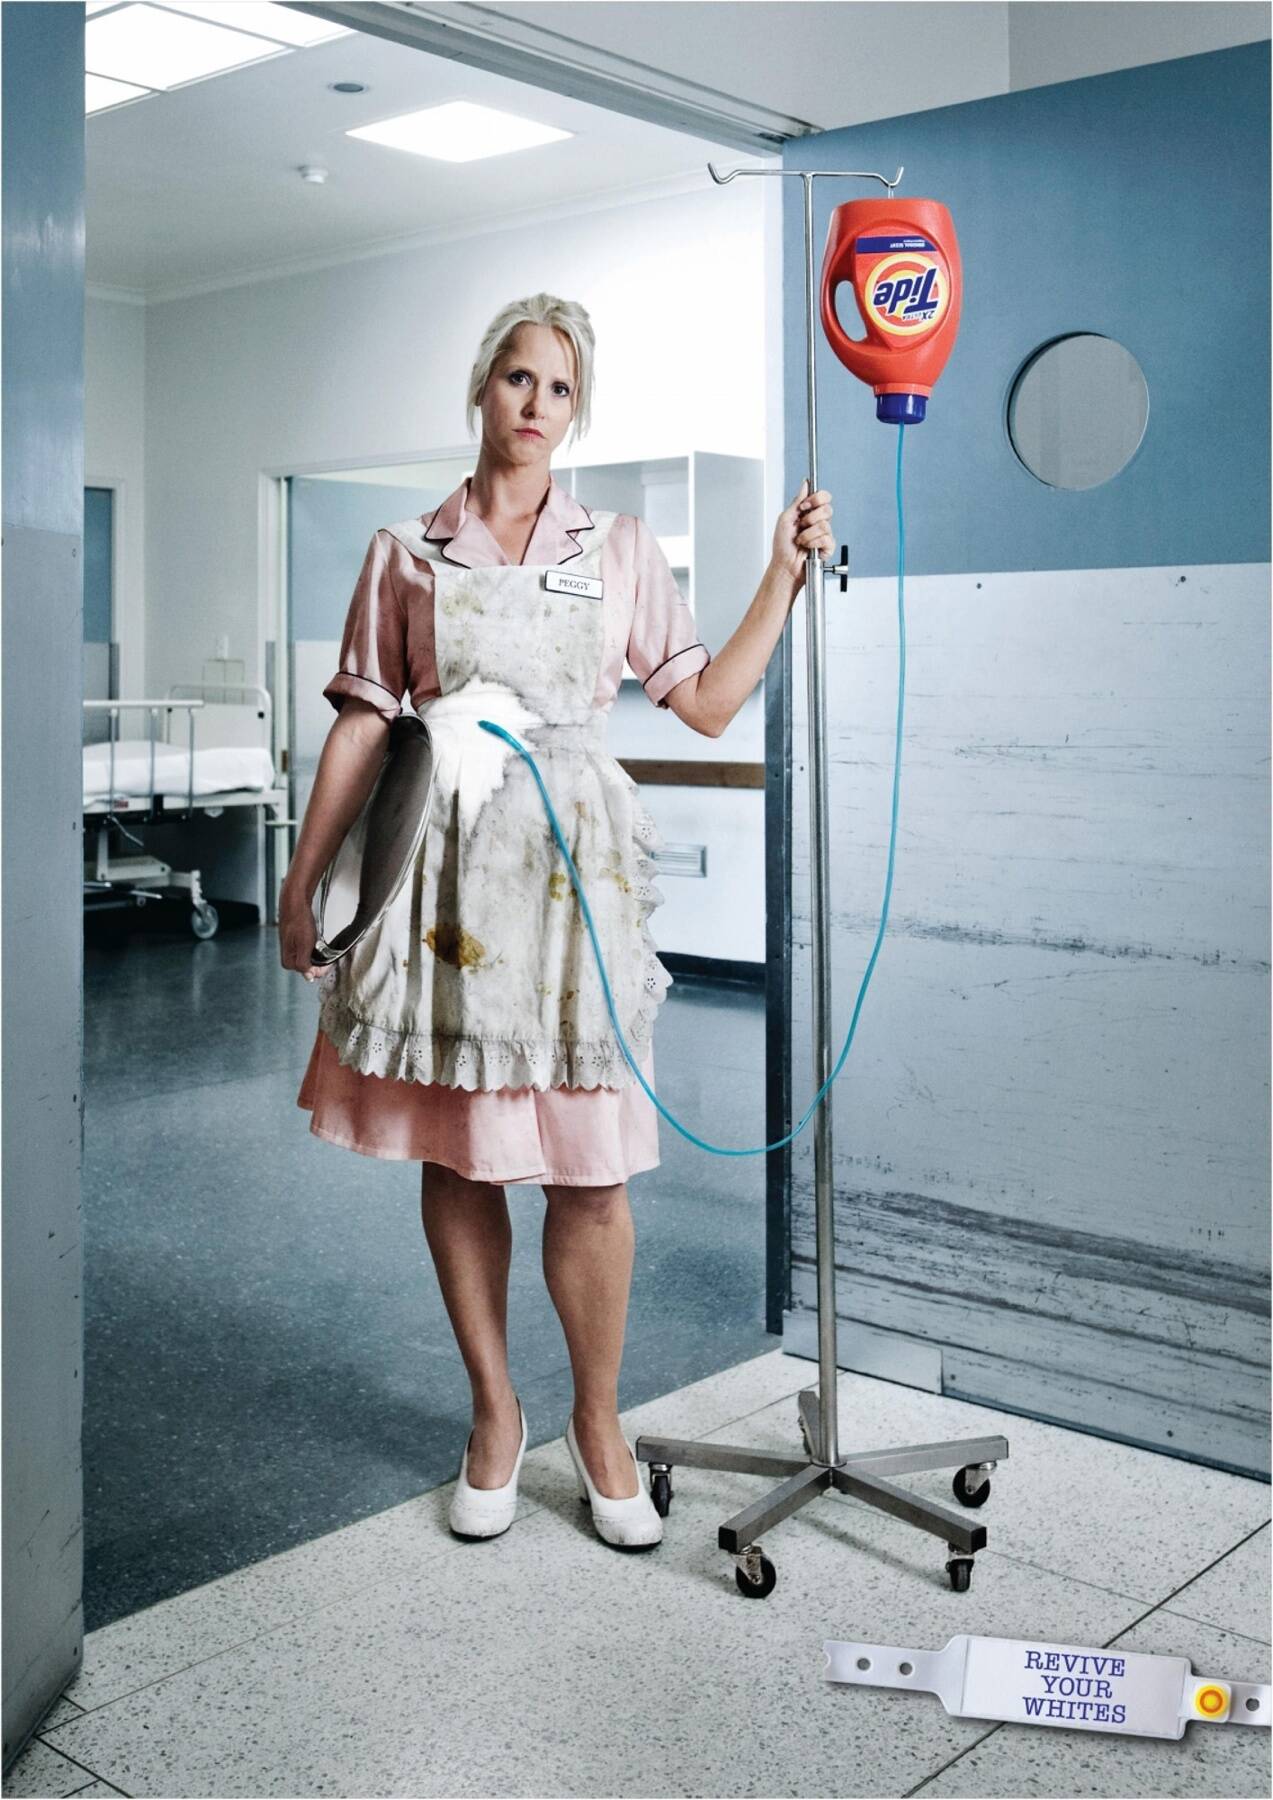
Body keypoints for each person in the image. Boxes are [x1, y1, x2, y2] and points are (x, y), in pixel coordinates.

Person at [279, 292, 833, 1548]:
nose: (536, 405)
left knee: (592, 1172)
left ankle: (597, 1423)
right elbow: (364, 724)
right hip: (445, 884)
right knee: (461, 1156)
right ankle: (493, 1414)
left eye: (561, 388)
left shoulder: (618, 548)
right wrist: (303, 884)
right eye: (519, 378)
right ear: (482, 386)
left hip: (573, 886)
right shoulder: (406, 550)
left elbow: (706, 702)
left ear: (579, 411)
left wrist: (781, 576)